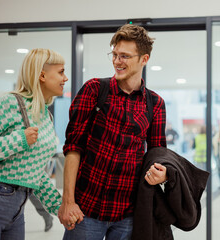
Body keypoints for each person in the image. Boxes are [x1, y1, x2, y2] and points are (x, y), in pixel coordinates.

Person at [58, 24, 167, 239]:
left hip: (128, 214)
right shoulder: (94, 90)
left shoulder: (155, 104)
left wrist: (161, 175)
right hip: (85, 211)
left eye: (125, 56)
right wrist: (68, 202)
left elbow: (157, 153)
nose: (117, 61)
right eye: (115, 54)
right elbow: (73, 148)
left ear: (144, 59)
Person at [0, 48, 68, 239]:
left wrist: (59, 207)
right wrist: (19, 140)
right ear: (42, 75)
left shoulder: (46, 116)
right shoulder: (10, 103)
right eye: (61, 72)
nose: (66, 78)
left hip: (18, 207)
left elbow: (35, 171)